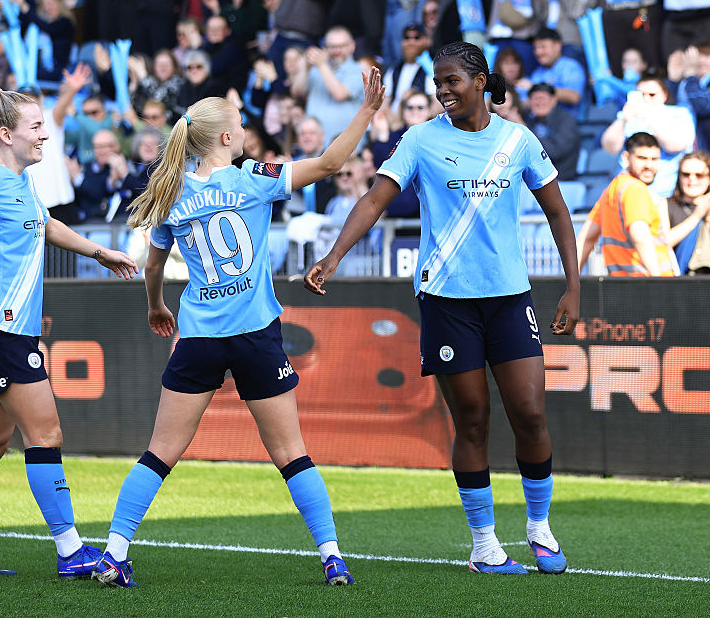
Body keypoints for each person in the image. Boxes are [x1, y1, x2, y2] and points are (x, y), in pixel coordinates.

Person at [89, 67, 384, 589]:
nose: (246, 128)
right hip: (254, 334)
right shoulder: (253, 178)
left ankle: (114, 552)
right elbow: (333, 163)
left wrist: (157, 307)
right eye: (241, 122)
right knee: (292, 454)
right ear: (227, 137)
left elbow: (154, 266)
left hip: (199, 336)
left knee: (159, 453)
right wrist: (366, 110)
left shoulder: (171, 194)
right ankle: (332, 557)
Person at [304, 42, 579, 575]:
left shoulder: (518, 140)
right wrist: (333, 257)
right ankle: (484, 546)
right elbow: (375, 199)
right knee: (472, 421)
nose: (443, 90)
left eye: (452, 80)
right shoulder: (421, 139)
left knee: (530, 414)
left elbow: (558, 212)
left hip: (508, 297)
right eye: (438, 82)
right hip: (447, 301)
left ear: (480, 81)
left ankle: (540, 530)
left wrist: (573, 286)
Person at [0, 84, 137, 578]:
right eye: (36, 127)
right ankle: (71, 552)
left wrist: (99, 251)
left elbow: (45, 226)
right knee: (46, 432)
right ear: (6, 134)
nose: (45, 134)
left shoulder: (19, 179)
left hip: (4, 331)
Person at [577, 132, 679, 276]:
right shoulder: (636, 189)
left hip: (622, 285)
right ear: (626, 157)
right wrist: (659, 282)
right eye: (642, 158)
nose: (649, 165)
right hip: (648, 284)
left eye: (654, 159)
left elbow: (585, 239)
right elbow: (640, 237)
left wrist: (570, 283)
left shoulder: (613, 189)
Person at [600, 69, 697, 197]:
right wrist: (623, 118)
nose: (646, 99)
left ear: (664, 95)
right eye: (641, 95)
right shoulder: (630, 116)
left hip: (667, 194)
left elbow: (676, 145)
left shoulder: (680, 113)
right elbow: (609, 147)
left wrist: (648, 116)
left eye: (651, 95)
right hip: (630, 193)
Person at [523, 82, 581, 181]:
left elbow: (555, 151)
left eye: (542, 98)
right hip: (532, 180)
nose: (539, 103)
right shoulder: (529, 120)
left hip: (561, 180)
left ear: (554, 100)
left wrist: (525, 131)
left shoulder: (567, 121)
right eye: (535, 99)